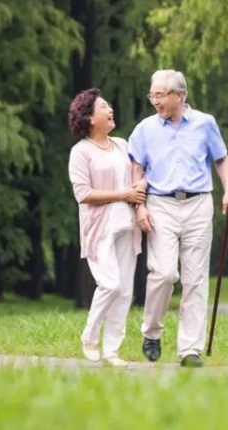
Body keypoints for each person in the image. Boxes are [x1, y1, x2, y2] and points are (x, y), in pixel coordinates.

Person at [128, 70, 228, 368]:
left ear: (179, 95)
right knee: (163, 273)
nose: (154, 101)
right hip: (160, 205)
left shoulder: (205, 124)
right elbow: (136, 169)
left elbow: (221, 159)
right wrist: (139, 208)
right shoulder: (145, 129)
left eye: (159, 95)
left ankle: (190, 350)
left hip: (199, 203)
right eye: (152, 95)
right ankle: (152, 332)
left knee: (195, 278)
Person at [68, 88, 146, 367]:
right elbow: (83, 194)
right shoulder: (80, 152)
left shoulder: (123, 145)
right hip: (98, 228)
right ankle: (90, 335)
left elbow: (142, 175)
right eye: (103, 107)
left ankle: (111, 350)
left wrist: (139, 189)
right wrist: (124, 194)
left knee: (125, 290)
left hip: (127, 224)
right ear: (89, 118)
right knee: (110, 284)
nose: (110, 109)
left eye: (109, 105)